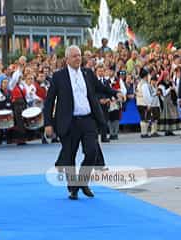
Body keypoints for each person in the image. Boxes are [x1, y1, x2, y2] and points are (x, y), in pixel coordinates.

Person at [43, 45, 121, 200]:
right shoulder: (59, 76)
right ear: (66, 59)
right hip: (69, 121)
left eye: (79, 55)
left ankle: (83, 181)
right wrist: (48, 123)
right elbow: (49, 101)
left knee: (92, 151)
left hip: (88, 119)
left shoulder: (87, 73)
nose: (78, 58)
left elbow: (100, 87)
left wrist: (115, 92)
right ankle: (73, 189)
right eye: (74, 56)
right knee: (69, 157)